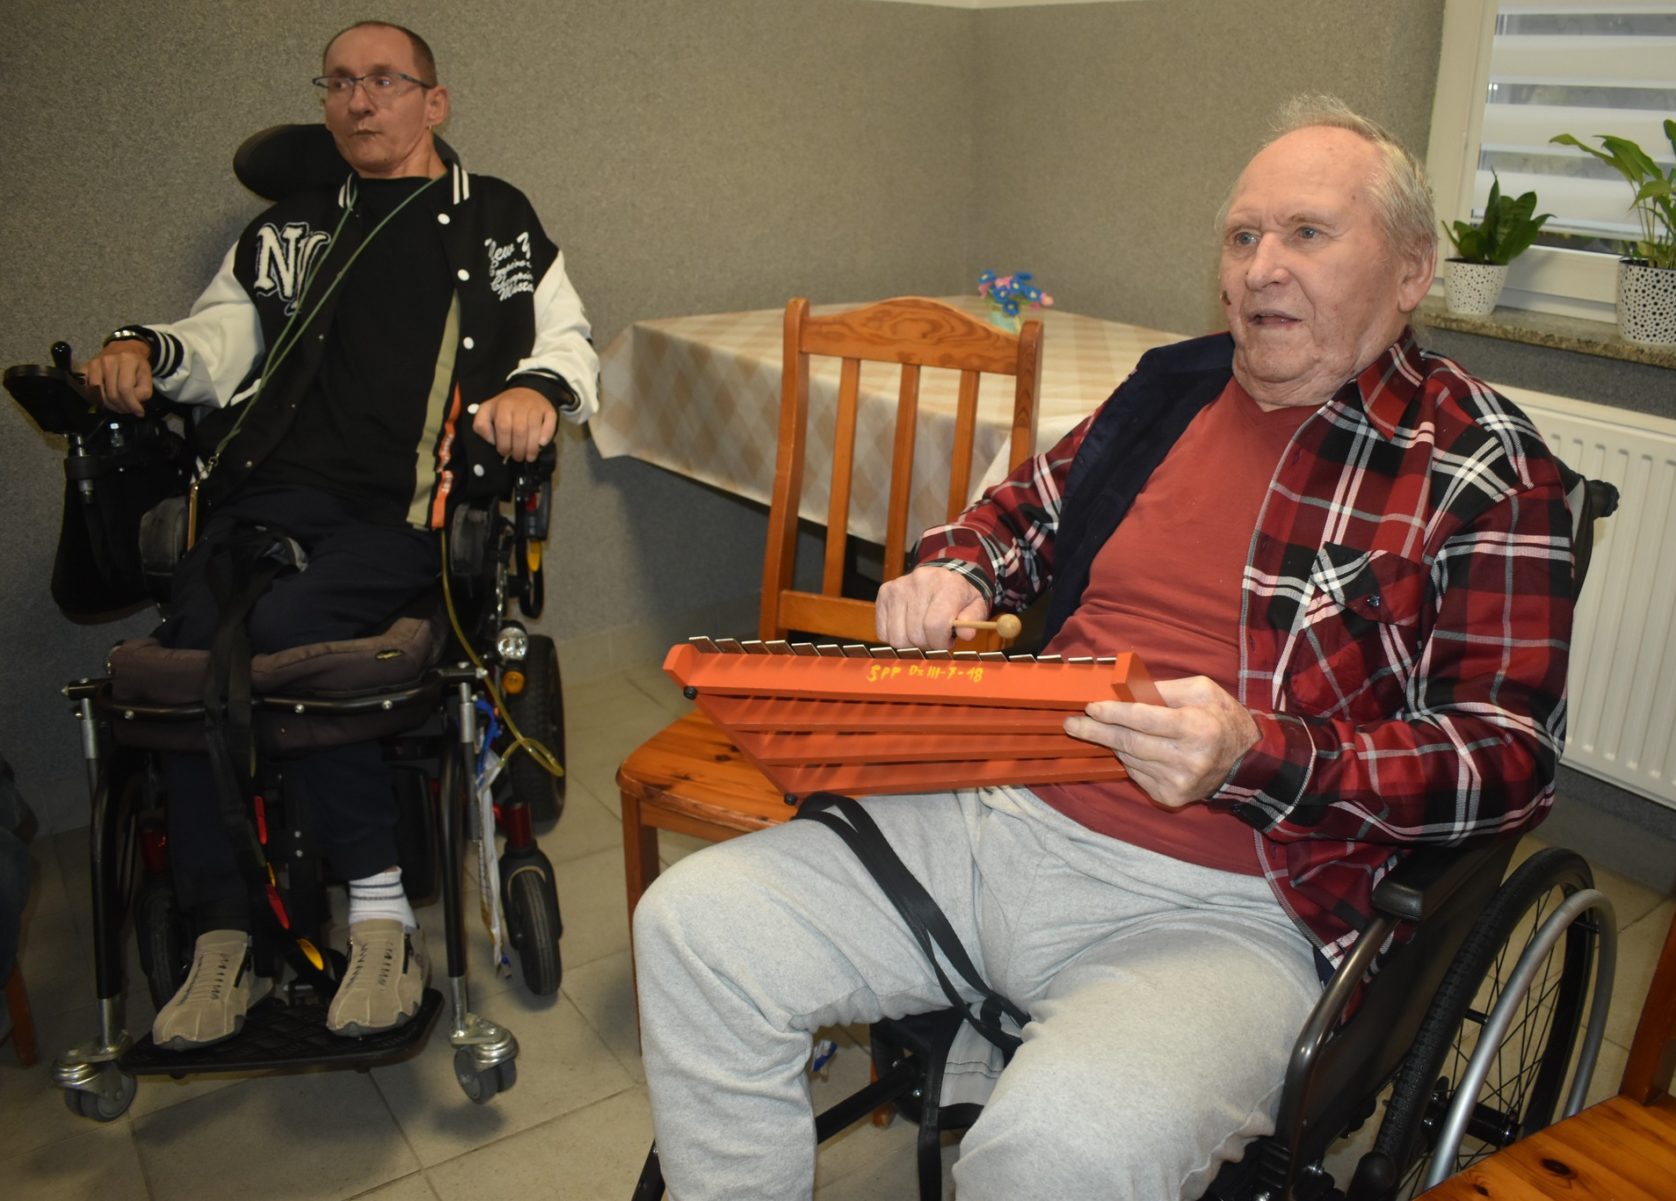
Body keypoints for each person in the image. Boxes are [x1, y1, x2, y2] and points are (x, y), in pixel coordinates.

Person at [632, 94, 1574, 1200]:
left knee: (1061, 1151)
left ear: (1412, 271)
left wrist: (1259, 754)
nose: (1261, 268)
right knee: (694, 929)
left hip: (1233, 907)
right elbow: (1016, 512)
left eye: (1307, 232)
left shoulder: (1481, 465)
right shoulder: (1169, 392)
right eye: (1241, 236)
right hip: (997, 816)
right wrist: (956, 568)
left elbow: (1508, 756)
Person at [79, 21, 599, 1050]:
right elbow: (215, 340)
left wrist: (538, 388)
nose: (359, 101)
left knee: (297, 631)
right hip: (261, 500)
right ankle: (224, 932)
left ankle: (379, 917)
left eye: (385, 81)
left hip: (401, 510)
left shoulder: (493, 216)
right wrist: (142, 347)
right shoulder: (286, 231)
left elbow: (567, 337)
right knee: (191, 649)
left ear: (433, 102)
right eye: (340, 83)